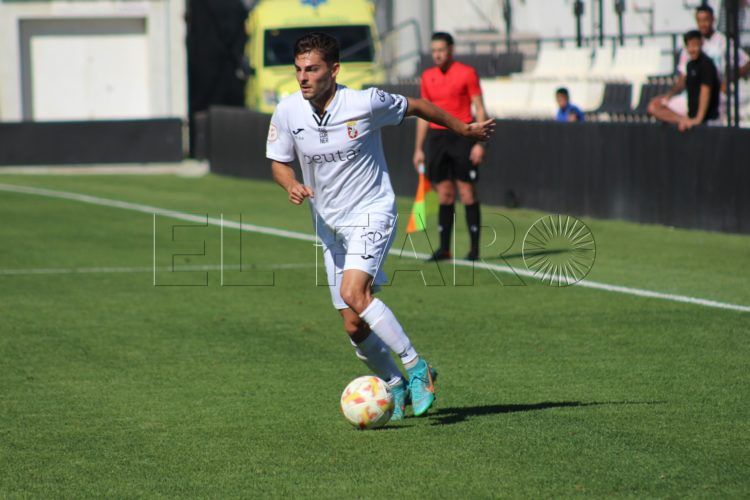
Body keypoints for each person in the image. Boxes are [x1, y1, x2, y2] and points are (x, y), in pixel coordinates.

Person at [266, 32, 494, 421]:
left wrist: (463, 129)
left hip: (372, 211)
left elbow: (418, 105)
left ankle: (417, 367)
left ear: (334, 70)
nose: (303, 77)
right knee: (353, 324)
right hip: (329, 225)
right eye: (299, 69)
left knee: (354, 291)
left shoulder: (364, 103)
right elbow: (278, 162)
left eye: (312, 69)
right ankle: (394, 382)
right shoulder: (288, 111)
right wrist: (291, 185)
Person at [413, 32, 489, 262]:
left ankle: (474, 250)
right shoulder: (427, 76)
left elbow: (479, 108)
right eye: (433, 50)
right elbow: (423, 113)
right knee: (445, 194)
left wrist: (480, 142)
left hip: (462, 135)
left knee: (466, 192)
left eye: (441, 50)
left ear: (451, 50)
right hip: (437, 138)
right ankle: (444, 249)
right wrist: (418, 148)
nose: (437, 54)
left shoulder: (467, 73)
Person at [648, 4, 750, 124]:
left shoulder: (722, 43)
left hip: (714, 96)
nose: (703, 24)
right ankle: (686, 121)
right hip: (692, 96)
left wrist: (727, 81)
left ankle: (694, 121)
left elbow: (745, 63)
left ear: (713, 19)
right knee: (655, 106)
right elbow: (683, 78)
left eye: (705, 20)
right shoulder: (691, 49)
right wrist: (669, 95)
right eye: (699, 20)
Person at [679, 30, 720, 131]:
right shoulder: (689, 65)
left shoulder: (706, 64)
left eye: (695, 45)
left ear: (701, 43)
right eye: (689, 46)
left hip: (708, 121)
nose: (692, 49)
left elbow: (705, 92)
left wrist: (698, 119)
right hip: (693, 117)